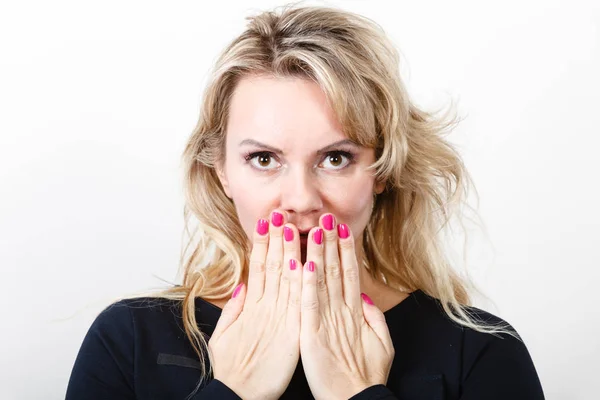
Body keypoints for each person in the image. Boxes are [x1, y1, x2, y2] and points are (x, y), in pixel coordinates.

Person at [65, 4, 545, 400]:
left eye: (336, 157)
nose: (300, 198)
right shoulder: (126, 340)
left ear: (381, 172)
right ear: (221, 171)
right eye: (264, 158)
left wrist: (356, 392)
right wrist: (235, 391)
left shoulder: (481, 351)